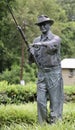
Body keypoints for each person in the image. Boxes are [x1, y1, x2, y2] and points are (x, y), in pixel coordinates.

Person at [28, 15, 64, 124]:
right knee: (40, 101)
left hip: (54, 73)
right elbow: (31, 61)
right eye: (40, 25)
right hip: (42, 73)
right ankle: (42, 124)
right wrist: (30, 52)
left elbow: (52, 45)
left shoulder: (56, 39)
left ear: (49, 25)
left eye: (44, 24)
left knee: (55, 101)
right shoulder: (36, 40)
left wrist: (39, 44)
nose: (42, 27)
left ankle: (55, 124)